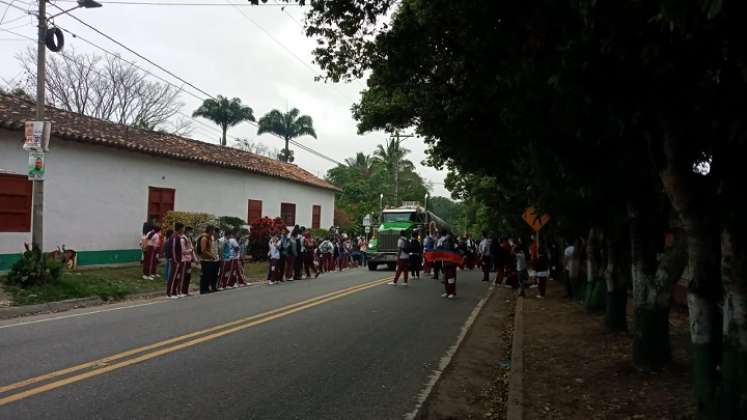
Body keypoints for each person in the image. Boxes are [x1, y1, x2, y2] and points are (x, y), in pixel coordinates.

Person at [197, 226, 219, 294]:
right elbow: (203, 250)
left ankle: (206, 288)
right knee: (205, 275)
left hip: (209, 260)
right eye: (212, 231)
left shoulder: (208, 238)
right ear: (210, 230)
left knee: (209, 275)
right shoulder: (204, 238)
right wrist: (211, 256)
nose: (213, 232)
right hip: (205, 260)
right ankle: (203, 289)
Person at [166, 222, 184, 298]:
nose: (184, 229)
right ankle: (170, 293)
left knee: (177, 276)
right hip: (175, 260)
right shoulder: (174, 237)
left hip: (178, 260)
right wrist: (176, 260)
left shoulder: (178, 237)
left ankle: (174, 292)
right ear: (180, 228)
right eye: (183, 228)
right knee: (173, 276)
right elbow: (173, 249)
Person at [179, 226, 198, 296]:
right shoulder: (182, 239)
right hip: (184, 260)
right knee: (183, 276)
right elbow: (183, 251)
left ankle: (186, 291)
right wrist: (190, 250)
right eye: (190, 231)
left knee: (188, 276)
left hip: (189, 260)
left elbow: (192, 250)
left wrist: (195, 259)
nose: (191, 233)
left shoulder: (189, 239)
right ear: (186, 231)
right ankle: (181, 291)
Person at [439, 230, 457, 298]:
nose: (448, 236)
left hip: (451, 262)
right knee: (446, 277)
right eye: (447, 235)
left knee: (451, 278)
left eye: (449, 235)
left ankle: (452, 292)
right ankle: (447, 292)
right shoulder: (443, 242)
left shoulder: (454, 243)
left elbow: (457, 251)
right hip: (445, 262)